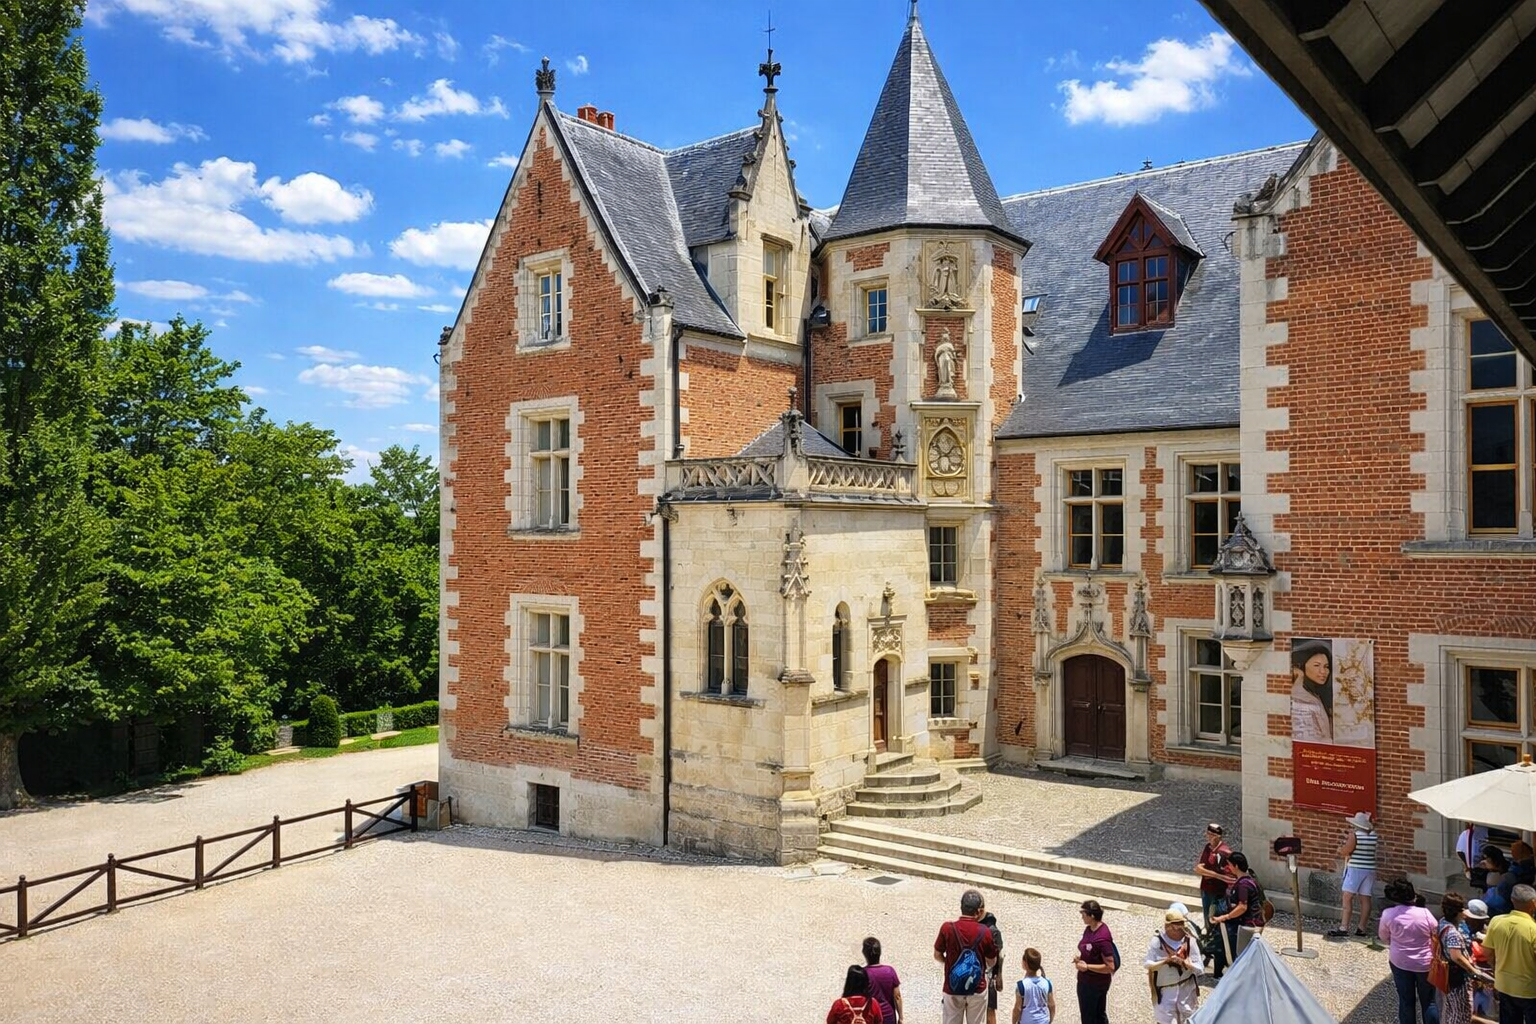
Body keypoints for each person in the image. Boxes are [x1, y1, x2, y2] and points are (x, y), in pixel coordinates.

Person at [1379, 878, 1440, 1024]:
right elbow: (1435, 934)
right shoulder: (1425, 914)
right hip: (1424, 963)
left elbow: (1383, 936)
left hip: (1400, 961)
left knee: (1406, 1000)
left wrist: (1395, 944)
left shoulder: (1388, 914)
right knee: (1429, 1002)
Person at [934, 888, 999, 1024]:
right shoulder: (985, 932)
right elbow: (992, 961)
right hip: (977, 986)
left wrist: (949, 963)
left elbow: (937, 954)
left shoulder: (947, 928)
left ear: (961, 907)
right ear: (979, 911)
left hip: (953, 986)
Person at [1438, 891, 1496, 1024]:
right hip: (1457, 978)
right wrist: (1475, 971)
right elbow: (1456, 957)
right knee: (1462, 1015)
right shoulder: (1453, 932)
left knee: (1451, 1011)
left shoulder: (1442, 923)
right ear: (1459, 912)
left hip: (1447, 976)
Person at [1484, 884, 1536, 1024]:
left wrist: (1496, 968)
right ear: (1533, 903)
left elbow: (1488, 952)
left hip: (1504, 985)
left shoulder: (1496, 921)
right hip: (1529, 989)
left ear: (1512, 900)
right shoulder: (1533, 929)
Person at [1144, 907, 1203, 1024]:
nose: (1176, 929)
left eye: (1179, 925)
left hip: (1186, 992)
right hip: (1165, 991)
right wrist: (1165, 962)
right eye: (1173, 925)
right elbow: (1148, 964)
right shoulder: (1157, 941)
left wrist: (1188, 964)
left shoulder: (1190, 941)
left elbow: (1200, 968)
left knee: (1188, 1019)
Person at [1210, 851, 1266, 974]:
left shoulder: (1243, 884)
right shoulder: (1250, 880)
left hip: (1247, 925)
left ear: (1236, 866)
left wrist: (1225, 917)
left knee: (1242, 957)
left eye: (1229, 865)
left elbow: (1242, 906)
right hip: (1253, 923)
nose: (1227, 868)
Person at [1329, 810, 1379, 938]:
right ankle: (1362, 928)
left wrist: (1341, 850)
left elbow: (1347, 850)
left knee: (1347, 896)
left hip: (1356, 868)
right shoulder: (1373, 835)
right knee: (1365, 898)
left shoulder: (1355, 835)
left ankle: (1344, 927)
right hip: (1370, 869)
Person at [1072, 899, 1115, 1024]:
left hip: (1094, 984)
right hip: (1087, 981)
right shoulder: (1089, 929)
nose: (1082, 917)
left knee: (1091, 1017)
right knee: (1094, 1014)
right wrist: (1081, 958)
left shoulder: (1102, 938)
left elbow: (1110, 966)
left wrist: (1087, 967)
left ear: (1092, 916)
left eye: (1083, 914)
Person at [1290, 640, 1333, 743]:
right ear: (1302, 667)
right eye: (1316, 665)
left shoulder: (1316, 694)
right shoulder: (1300, 700)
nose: (1323, 672)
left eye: (1326, 667)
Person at [1194, 822, 1233, 932]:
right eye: (1208, 834)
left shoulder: (1224, 852)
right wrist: (1216, 875)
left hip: (1218, 891)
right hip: (1206, 887)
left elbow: (1228, 874)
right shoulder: (1208, 848)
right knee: (1207, 914)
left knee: (1216, 915)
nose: (1209, 837)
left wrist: (1209, 873)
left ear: (1218, 836)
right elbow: (1198, 868)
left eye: (1212, 835)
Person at [863, 937, 903, 1024]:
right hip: (888, 1017)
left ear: (864, 953)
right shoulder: (890, 971)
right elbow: (897, 997)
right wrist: (901, 1018)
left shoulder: (862, 974)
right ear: (880, 952)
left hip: (870, 1017)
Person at [1012, 948, 1055, 1024]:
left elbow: (1017, 1009)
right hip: (1044, 1021)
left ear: (1025, 964)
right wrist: (1050, 1020)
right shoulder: (1047, 983)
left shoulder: (1021, 985)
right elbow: (1052, 1005)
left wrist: (1013, 1022)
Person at [980, 900, 1004, 1024]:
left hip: (987, 976)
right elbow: (1000, 955)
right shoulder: (995, 931)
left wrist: (999, 975)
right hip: (989, 976)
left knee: (989, 1011)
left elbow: (999, 956)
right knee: (990, 1011)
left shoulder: (991, 932)